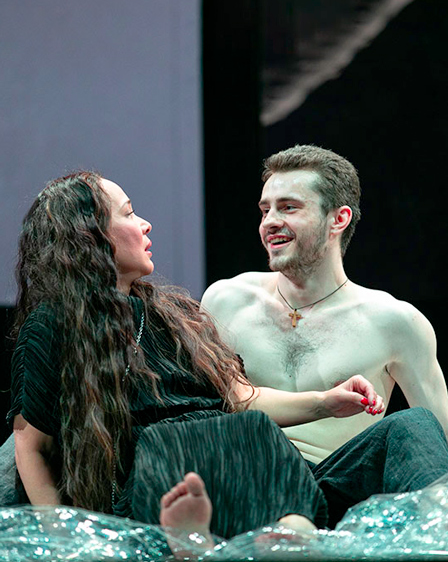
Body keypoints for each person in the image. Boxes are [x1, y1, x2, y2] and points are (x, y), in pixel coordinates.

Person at [8, 170, 391, 540]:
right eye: (128, 214)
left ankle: (289, 534)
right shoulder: (53, 325)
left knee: (403, 429)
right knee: (232, 432)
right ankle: (217, 537)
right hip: (157, 479)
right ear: (89, 235)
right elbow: (31, 447)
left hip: (236, 472)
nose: (145, 225)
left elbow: (242, 398)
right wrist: (66, 538)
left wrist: (326, 402)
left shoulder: (176, 315)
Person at [201, 143, 448, 524]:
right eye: (265, 210)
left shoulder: (395, 321)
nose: (270, 222)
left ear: (338, 219)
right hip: (254, 482)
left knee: (413, 425)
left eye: (289, 207)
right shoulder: (225, 300)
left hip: (343, 489)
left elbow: (438, 444)